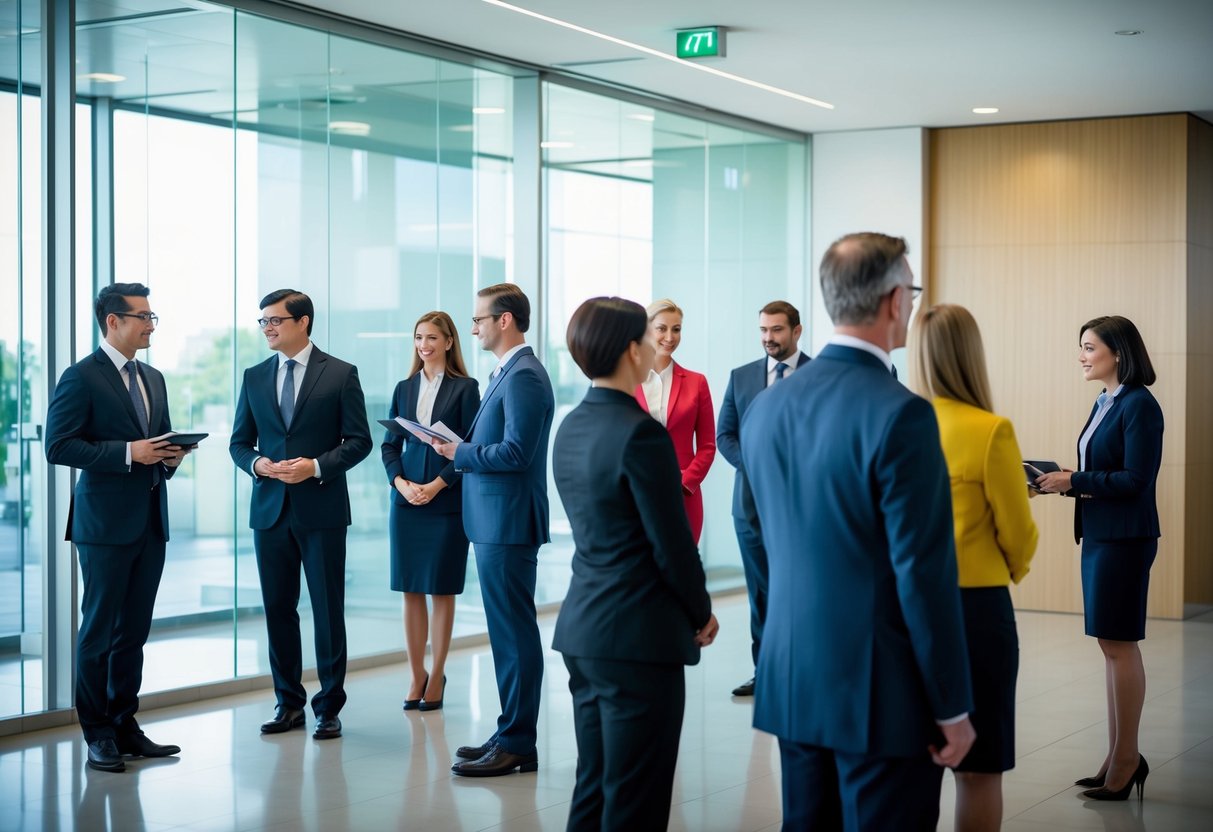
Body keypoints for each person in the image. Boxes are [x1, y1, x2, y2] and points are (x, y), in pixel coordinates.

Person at [741, 232, 975, 831]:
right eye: (912, 291)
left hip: (791, 676)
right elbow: (923, 574)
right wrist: (951, 703)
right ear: (896, 300)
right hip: (880, 691)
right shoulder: (901, 412)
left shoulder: (767, 407)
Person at [552, 296, 720, 830]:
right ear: (631, 349)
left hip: (583, 632)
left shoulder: (570, 427)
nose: (658, 345)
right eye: (649, 337)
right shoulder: (641, 433)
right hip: (638, 638)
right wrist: (701, 612)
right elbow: (671, 544)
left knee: (594, 788)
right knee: (636, 803)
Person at [45, 283, 192, 773]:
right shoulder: (81, 377)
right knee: (100, 631)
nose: (151, 324)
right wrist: (130, 453)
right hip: (104, 525)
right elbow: (59, 446)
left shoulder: (153, 377)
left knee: (133, 631)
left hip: (150, 520)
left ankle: (126, 724)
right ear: (114, 321)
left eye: (153, 316)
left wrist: (170, 455)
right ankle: (98, 733)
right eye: (144, 316)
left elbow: (158, 442)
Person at [907, 303, 1039, 832]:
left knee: (914, 765)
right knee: (979, 770)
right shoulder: (990, 431)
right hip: (975, 609)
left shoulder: (894, 423)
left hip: (905, 608)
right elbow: (1019, 534)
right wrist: (1010, 564)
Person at [229, 289, 372, 741]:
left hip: (322, 508)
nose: (267, 328)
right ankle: (287, 703)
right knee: (278, 610)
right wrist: (257, 464)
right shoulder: (254, 377)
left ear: (303, 321)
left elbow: (359, 440)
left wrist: (315, 467)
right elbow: (239, 443)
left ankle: (328, 706)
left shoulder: (341, 373)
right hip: (269, 511)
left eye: (275, 320)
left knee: (328, 611)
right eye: (263, 322)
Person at [1036, 315, 1163, 802]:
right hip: (1100, 535)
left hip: (1125, 540)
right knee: (1110, 647)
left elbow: (1136, 480)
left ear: (1118, 352)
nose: (1082, 355)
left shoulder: (1139, 405)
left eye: (1090, 347)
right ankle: (1118, 755)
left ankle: (1127, 760)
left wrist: (1077, 481)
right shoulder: (1105, 402)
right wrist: (1064, 480)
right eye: (1082, 347)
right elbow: (1100, 471)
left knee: (1120, 646)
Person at [432, 283, 555, 777]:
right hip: (493, 521)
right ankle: (510, 731)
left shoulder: (524, 375)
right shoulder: (507, 373)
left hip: (507, 523)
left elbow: (516, 453)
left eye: (480, 319)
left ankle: (519, 742)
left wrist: (458, 453)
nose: (474, 327)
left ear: (505, 321)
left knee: (513, 632)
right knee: (505, 633)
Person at [380, 311, 480, 712]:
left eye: (432, 338)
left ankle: (437, 672)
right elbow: (389, 446)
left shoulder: (466, 388)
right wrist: (401, 484)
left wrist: (437, 486)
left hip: (446, 500)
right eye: (419, 337)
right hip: (406, 502)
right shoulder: (404, 387)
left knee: (441, 590)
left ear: (449, 342)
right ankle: (415, 673)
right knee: (410, 590)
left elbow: (469, 447)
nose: (424, 345)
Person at [715, 300, 810, 698]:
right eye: (764, 331)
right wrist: (757, 467)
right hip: (751, 507)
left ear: (796, 331)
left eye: (777, 330)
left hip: (805, 510)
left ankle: (804, 671)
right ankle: (766, 673)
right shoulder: (741, 378)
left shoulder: (820, 375)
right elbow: (725, 436)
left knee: (803, 592)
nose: (768, 338)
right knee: (761, 594)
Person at [633, 299, 716, 542]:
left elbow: (708, 445)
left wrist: (684, 482)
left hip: (684, 497)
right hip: (638, 493)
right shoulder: (628, 381)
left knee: (681, 574)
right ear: (647, 329)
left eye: (676, 329)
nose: (670, 336)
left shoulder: (696, 382)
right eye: (662, 328)